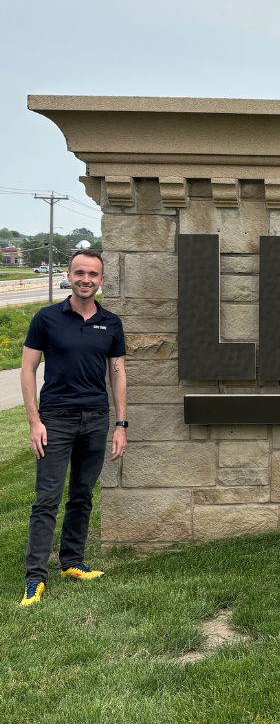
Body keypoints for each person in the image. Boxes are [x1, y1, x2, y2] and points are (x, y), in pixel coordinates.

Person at [18, 249, 127, 606]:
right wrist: (34, 421)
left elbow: (117, 373)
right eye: (79, 272)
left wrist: (120, 424)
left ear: (101, 280)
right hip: (55, 420)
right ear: (69, 275)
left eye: (92, 274)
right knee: (46, 500)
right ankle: (35, 578)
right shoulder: (46, 318)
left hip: (95, 419)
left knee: (82, 495)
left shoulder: (111, 323)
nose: (85, 279)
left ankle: (72, 562)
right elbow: (27, 370)